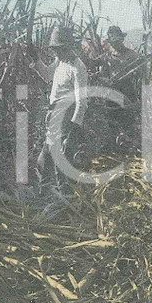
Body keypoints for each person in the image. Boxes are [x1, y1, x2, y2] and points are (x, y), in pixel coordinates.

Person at [35, 25, 89, 187]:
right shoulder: (60, 61)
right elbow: (47, 75)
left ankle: (64, 193)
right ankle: (46, 190)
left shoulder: (77, 67)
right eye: (55, 49)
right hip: (54, 114)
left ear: (68, 47)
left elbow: (82, 102)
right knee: (47, 156)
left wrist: (73, 129)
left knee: (60, 159)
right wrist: (35, 60)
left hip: (66, 116)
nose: (56, 52)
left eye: (59, 49)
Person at [104, 25, 143, 146]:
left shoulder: (132, 56)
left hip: (127, 91)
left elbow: (141, 73)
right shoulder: (108, 57)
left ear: (122, 39)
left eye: (117, 41)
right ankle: (116, 145)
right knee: (112, 119)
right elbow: (104, 72)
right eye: (112, 42)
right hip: (112, 92)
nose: (115, 44)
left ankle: (131, 145)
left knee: (128, 121)